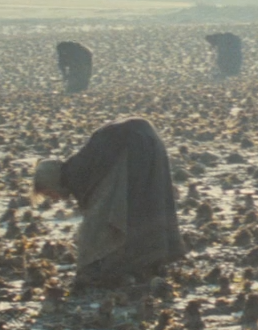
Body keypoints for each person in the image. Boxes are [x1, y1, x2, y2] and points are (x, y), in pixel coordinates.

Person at [33, 118, 185, 286]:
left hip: (134, 147)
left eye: (49, 192)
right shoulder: (78, 166)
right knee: (147, 204)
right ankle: (150, 263)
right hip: (149, 140)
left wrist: (86, 266)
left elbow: (97, 222)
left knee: (114, 216)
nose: (54, 198)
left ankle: (131, 265)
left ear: (53, 181)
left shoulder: (78, 173)